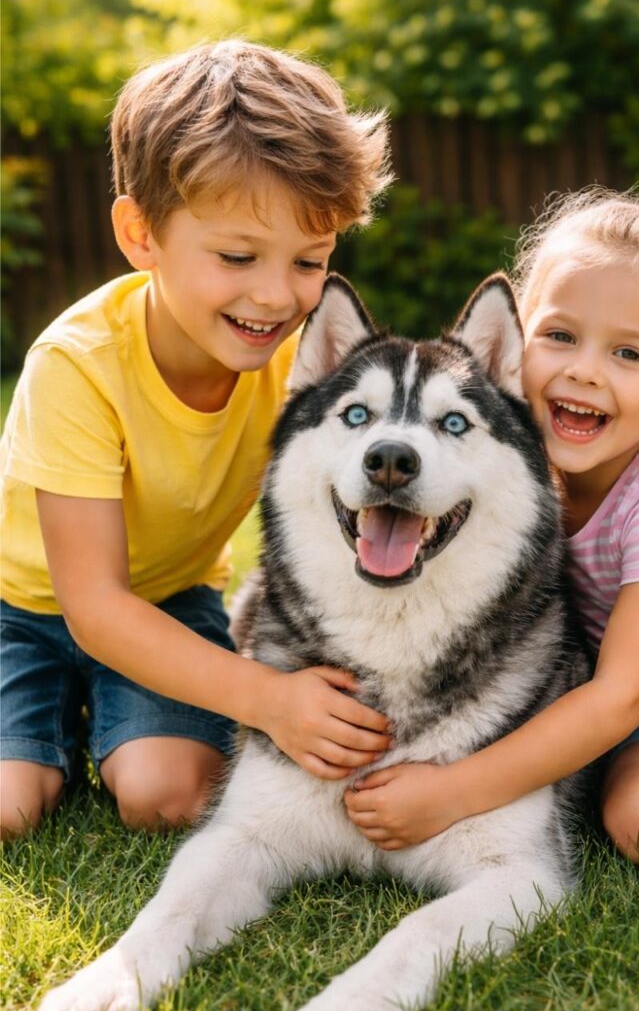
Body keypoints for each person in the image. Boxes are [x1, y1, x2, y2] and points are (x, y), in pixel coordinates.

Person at [0, 40, 393, 839]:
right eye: (238, 256)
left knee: (169, 796)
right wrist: (270, 698)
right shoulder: (76, 366)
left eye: (309, 260)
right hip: (24, 610)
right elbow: (97, 609)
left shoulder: (300, 368)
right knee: (10, 807)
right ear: (141, 235)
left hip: (173, 601)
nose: (276, 295)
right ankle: (54, 733)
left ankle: (115, 726)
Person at [344, 187, 639, 868]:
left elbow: (620, 695)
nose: (585, 371)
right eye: (560, 336)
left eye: (629, 354)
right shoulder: (508, 470)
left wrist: (451, 791)